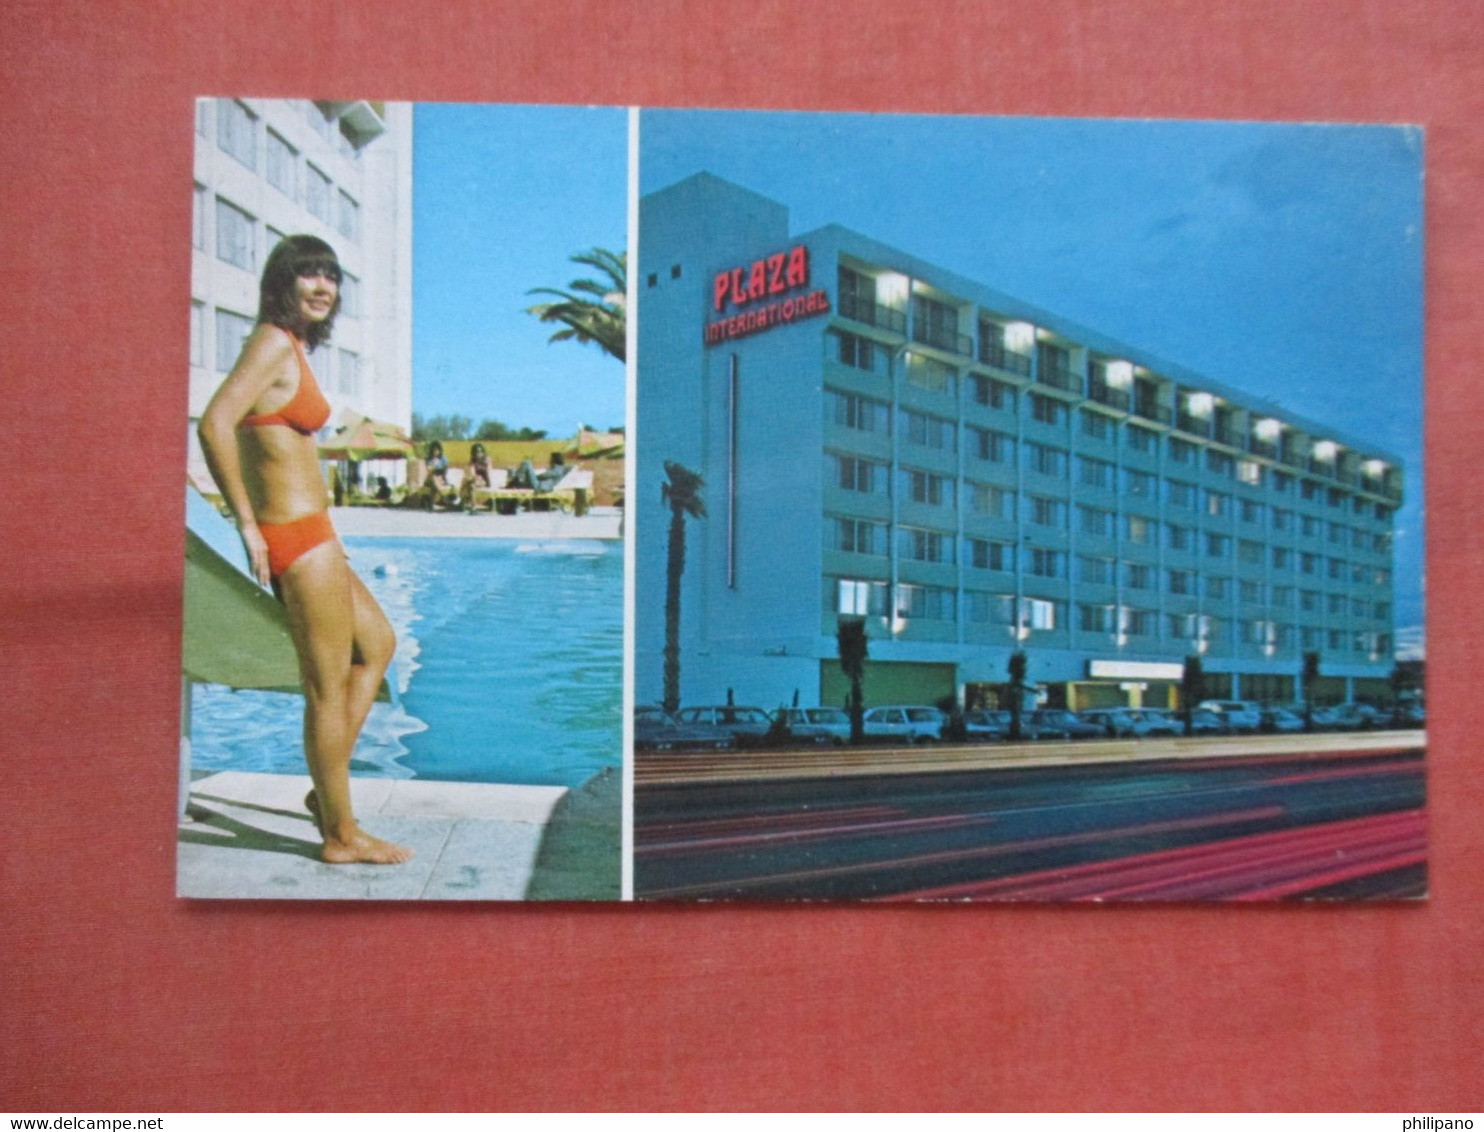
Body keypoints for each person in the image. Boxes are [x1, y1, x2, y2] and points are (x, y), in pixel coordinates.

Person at [198, 234, 412, 865]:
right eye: (309, 275)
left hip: (317, 533)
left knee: (377, 646)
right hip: (296, 537)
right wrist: (247, 525)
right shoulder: (269, 340)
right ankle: (341, 837)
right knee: (325, 687)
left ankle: (328, 793)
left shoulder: (290, 347)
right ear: (283, 283)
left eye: (331, 277)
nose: (323, 287)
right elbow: (215, 422)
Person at [458, 442, 493, 510]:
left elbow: (488, 471)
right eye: (476, 451)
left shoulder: (487, 460)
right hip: (473, 481)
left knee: (466, 481)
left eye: (480, 451)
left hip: (484, 481)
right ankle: (473, 506)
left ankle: (459, 499)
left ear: (483, 451)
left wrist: (479, 467)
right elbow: (468, 471)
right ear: (473, 453)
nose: (479, 453)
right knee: (471, 485)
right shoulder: (472, 462)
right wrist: (473, 475)